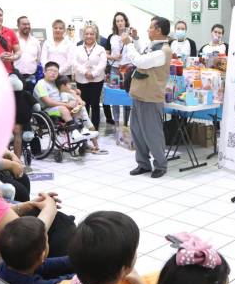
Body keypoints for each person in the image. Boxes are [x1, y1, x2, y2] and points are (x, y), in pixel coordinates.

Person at [121, 16, 174, 178]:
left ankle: (160, 165)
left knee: (152, 133)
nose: (148, 30)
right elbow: (141, 55)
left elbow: (141, 62)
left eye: (150, 27)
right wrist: (135, 41)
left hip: (151, 97)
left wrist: (128, 43)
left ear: (158, 30)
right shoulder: (153, 46)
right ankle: (143, 163)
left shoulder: (163, 51)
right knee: (137, 132)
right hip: (139, 94)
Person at [0, 216, 73, 284]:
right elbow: (67, 283)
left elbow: (44, 264)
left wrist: (76, 259)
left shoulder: (7, 265)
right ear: (42, 255)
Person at [34, 63, 102, 151]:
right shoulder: (41, 84)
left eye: (56, 71)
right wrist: (67, 105)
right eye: (50, 70)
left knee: (78, 107)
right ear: (44, 72)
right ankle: (74, 132)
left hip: (60, 107)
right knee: (64, 109)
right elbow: (48, 102)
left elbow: (69, 90)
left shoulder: (56, 83)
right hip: (47, 110)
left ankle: (84, 134)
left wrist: (76, 93)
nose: (53, 73)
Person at [71, 24, 109, 136]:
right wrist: (85, 72)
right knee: (84, 104)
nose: (89, 36)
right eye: (87, 34)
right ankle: (85, 128)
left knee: (95, 104)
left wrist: (93, 74)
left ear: (95, 35)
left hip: (97, 80)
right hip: (81, 79)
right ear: (83, 35)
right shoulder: (77, 48)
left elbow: (103, 64)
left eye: (91, 34)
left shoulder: (100, 49)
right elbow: (74, 63)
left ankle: (95, 129)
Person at [56, 78, 106, 153]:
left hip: (83, 114)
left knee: (88, 129)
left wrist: (79, 98)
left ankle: (92, 146)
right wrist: (76, 104)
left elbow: (80, 100)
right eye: (68, 84)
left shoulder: (71, 92)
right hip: (79, 116)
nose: (70, 85)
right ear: (63, 86)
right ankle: (95, 147)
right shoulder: (64, 94)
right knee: (89, 129)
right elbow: (67, 106)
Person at [108, 12, 136, 129]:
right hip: (115, 69)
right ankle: (116, 122)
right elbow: (106, 54)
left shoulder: (131, 37)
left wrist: (134, 37)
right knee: (115, 95)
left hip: (128, 69)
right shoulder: (111, 37)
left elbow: (137, 50)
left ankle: (126, 124)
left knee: (126, 94)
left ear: (125, 21)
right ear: (115, 23)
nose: (119, 23)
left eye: (121, 20)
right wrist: (114, 57)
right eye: (117, 21)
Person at [12, 15, 42, 82]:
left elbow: (39, 58)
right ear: (18, 25)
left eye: (28, 24)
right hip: (16, 77)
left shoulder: (35, 41)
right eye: (24, 24)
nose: (27, 26)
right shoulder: (13, 39)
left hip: (32, 77)